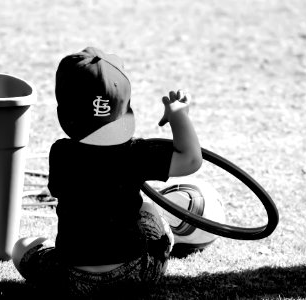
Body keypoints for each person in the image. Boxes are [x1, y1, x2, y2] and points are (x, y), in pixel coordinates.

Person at [12, 46, 202, 298]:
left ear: (63, 113)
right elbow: (191, 160)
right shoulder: (136, 152)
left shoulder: (61, 153)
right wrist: (178, 116)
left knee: (20, 247)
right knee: (146, 209)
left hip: (70, 277)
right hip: (134, 273)